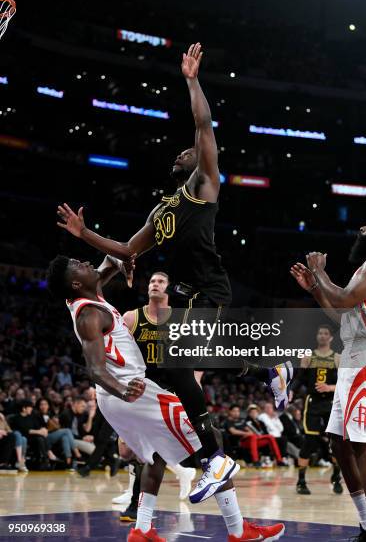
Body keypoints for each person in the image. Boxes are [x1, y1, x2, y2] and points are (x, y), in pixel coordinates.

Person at [56, 43, 292, 495]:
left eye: (192, 150)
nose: (189, 151)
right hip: (185, 290)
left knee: (183, 360)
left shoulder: (204, 183)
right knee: (178, 367)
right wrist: (85, 235)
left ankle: (224, 447)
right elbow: (127, 249)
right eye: (183, 151)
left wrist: (192, 80)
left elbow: (203, 124)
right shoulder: (159, 211)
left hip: (209, 284)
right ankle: (234, 425)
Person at [46, 254, 286, 542]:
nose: (86, 263)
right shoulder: (91, 314)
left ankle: (143, 528)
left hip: (123, 395)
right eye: (79, 265)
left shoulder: (85, 295)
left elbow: (115, 258)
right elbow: (95, 369)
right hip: (131, 391)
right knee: (213, 440)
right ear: (75, 282)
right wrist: (123, 390)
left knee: (156, 455)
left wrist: (96, 240)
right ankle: (238, 530)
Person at [291, 216, 366, 542]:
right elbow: (342, 314)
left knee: (363, 444)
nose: (362, 228)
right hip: (355, 356)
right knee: (339, 444)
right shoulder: (365, 270)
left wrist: (320, 273)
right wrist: (315, 288)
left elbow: (342, 299)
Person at [114, 270, 196, 512]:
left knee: (148, 451)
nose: (155, 284)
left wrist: (195, 381)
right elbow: (119, 355)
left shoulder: (181, 319)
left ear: (168, 288)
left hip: (170, 390)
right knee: (126, 451)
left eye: (160, 281)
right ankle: (182, 473)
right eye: (151, 281)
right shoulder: (131, 318)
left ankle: (136, 505)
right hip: (141, 389)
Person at [289, 325, 342, 495]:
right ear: (316, 336)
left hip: (332, 403)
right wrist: (291, 392)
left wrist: (329, 387)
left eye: (326, 333)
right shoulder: (308, 356)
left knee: (336, 443)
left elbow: (345, 384)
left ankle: (336, 477)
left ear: (331, 338)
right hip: (312, 403)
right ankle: (301, 481)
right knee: (309, 441)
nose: (322, 335)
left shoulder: (338, 358)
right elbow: (299, 379)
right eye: (320, 332)